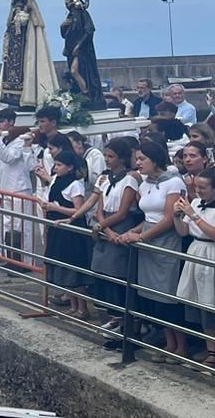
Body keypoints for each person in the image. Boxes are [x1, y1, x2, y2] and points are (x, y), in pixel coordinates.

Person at [118, 138, 188, 360]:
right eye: (136, 159)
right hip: (148, 237)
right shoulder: (146, 183)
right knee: (155, 296)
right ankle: (169, 342)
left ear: (155, 159)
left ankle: (182, 346)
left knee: (168, 294)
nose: (138, 163)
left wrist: (141, 237)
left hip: (166, 240)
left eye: (142, 159)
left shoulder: (173, 183)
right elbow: (149, 216)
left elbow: (168, 218)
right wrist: (133, 232)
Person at [174, 168, 215, 371]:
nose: (198, 191)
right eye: (196, 186)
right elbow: (183, 231)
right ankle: (212, 351)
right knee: (203, 304)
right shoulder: (194, 203)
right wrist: (177, 216)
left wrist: (193, 216)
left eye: (203, 187)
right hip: (196, 250)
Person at [90, 137, 141, 345]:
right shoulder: (105, 179)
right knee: (104, 276)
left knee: (119, 277)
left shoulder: (129, 180)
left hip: (120, 225)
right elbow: (99, 209)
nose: (107, 160)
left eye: (111, 156)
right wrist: (104, 228)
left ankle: (127, 327)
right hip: (107, 227)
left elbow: (122, 212)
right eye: (106, 156)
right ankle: (113, 318)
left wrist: (106, 227)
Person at [40, 147, 93, 320]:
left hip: (72, 233)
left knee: (74, 272)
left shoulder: (75, 185)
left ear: (70, 167)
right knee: (62, 270)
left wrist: (56, 208)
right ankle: (73, 305)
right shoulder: (56, 180)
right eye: (55, 164)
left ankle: (82, 308)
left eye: (59, 165)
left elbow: (78, 210)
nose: (56, 168)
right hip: (57, 229)